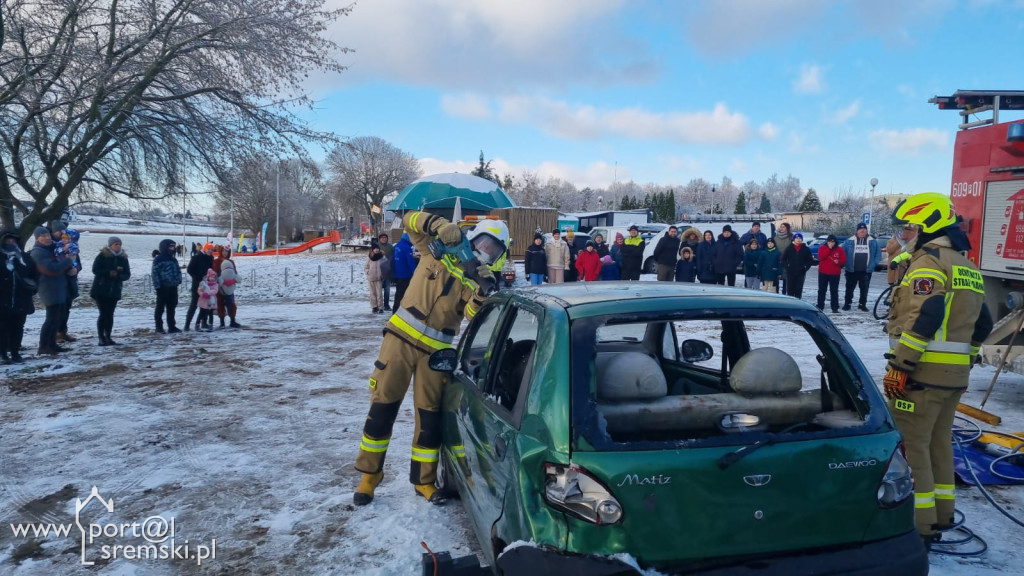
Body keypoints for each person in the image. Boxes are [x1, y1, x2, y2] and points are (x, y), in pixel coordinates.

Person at [353, 212, 507, 506]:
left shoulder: (475, 281)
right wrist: (439, 225)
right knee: (382, 406)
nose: (485, 252)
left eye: (493, 251)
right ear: (474, 236)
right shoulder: (433, 250)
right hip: (399, 341)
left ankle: (423, 481)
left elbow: (472, 317)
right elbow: (409, 220)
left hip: (436, 355)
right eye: (484, 243)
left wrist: (483, 294)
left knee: (429, 417)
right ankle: (369, 475)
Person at [884, 192, 993, 549]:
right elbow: (983, 324)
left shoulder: (929, 263)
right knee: (938, 446)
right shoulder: (966, 265)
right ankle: (943, 515)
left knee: (913, 449)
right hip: (954, 378)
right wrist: (965, 358)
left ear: (928, 225)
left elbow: (926, 317)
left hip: (920, 376)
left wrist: (901, 365)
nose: (906, 234)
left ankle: (919, 527)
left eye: (910, 227)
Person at [30, 227, 74, 354]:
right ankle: (43, 346)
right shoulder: (37, 252)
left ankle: (52, 344)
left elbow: (60, 262)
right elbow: (51, 268)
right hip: (48, 288)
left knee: (56, 318)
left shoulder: (54, 248)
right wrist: (68, 260)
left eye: (48, 235)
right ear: (37, 238)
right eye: (43, 236)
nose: (47, 238)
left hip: (59, 286)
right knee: (50, 319)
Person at [1, 230, 36, 364]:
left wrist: (32, 287)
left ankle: (15, 352)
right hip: (2, 300)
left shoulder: (24, 258)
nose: (11, 243)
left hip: (21, 298)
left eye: (13, 241)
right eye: (8, 241)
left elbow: (35, 274)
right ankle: (3, 354)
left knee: (18, 327)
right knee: (2, 328)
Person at [90, 236, 131, 345]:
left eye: (119, 244)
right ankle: (101, 337)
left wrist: (118, 276)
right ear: (110, 245)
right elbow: (95, 270)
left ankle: (108, 336)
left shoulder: (123, 258)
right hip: (101, 289)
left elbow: (127, 274)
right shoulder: (102, 256)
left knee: (110, 314)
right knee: (103, 313)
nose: (118, 246)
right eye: (115, 244)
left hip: (115, 290)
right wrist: (108, 273)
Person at [51, 221, 81, 344]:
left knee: (66, 308)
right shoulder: (52, 246)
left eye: (63, 231)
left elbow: (77, 263)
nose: (61, 233)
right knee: (58, 309)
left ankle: (63, 332)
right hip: (58, 282)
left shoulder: (72, 245)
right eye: (59, 231)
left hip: (70, 282)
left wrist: (76, 269)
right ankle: (55, 333)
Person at [842, 223, 882, 312]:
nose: (862, 231)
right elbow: (842, 252)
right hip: (851, 270)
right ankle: (847, 304)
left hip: (866, 270)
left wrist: (873, 264)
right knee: (849, 288)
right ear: (857, 231)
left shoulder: (873, 241)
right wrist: (844, 263)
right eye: (860, 230)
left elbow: (878, 254)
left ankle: (862, 304)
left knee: (864, 289)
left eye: (864, 230)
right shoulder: (849, 241)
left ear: (867, 231)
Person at [152, 239, 183, 334]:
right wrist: (158, 286)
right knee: (160, 308)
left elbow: (178, 271)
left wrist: (178, 280)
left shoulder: (173, 259)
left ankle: (172, 326)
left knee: (171, 307)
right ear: (165, 247)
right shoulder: (159, 259)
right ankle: (159, 327)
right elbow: (154, 273)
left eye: (174, 246)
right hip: (162, 287)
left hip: (173, 286)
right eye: (170, 246)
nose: (173, 248)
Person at [185, 243, 214, 331]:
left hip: (207, 285)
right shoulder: (196, 257)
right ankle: (187, 325)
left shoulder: (211, 258)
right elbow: (189, 269)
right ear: (204, 249)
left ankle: (203, 323)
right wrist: (198, 278)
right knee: (193, 305)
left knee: (205, 306)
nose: (210, 251)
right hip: (197, 285)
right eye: (208, 249)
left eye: (211, 249)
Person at [816, 235, 846, 313]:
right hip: (823, 272)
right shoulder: (822, 248)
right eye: (829, 241)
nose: (831, 243)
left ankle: (835, 307)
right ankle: (820, 305)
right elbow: (821, 256)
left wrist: (838, 261)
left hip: (835, 273)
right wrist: (829, 249)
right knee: (822, 290)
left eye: (832, 242)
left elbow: (844, 260)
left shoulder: (839, 249)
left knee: (834, 290)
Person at [781, 233, 813, 299]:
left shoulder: (805, 249)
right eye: (797, 238)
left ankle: (798, 303)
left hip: (801, 272)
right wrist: (787, 266)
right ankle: (791, 304)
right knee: (790, 289)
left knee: (798, 289)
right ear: (794, 239)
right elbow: (783, 259)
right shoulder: (789, 248)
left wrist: (806, 267)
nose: (798, 240)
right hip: (790, 272)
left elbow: (810, 260)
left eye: (800, 238)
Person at [217, 247, 241, 328]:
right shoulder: (216, 261)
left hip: (230, 287)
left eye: (226, 251)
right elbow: (214, 272)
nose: (224, 253)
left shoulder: (231, 262)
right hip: (220, 287)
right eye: (223, 251)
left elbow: (234, 272)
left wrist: (233, 280)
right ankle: (222, 322)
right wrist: (219, 281)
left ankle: (232, 320)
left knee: (231, 303)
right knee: (220, 303)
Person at [392, 233, 417, 309]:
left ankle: (395, 308)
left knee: (398, 293)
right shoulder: (407, 248)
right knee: (405, 294)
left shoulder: (397, 246)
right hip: (405, 274)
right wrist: (415, 273)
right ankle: (400, 309)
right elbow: (410, 263)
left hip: (397, 274)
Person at [365, 245, 387, 314]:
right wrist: (368, 272)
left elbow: (386, 266)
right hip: (371, 278)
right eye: (375, 249)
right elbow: (366, 267)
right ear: (372, 250)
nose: (376, 250)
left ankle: (380, 307)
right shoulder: (369, 258)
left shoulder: (382, 257)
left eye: (377, 249)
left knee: (379, 294)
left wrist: (383, 274)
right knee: (372, 293)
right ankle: (374, 307)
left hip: (379, 278)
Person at [774, 223, 794, 294]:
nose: (781, 228)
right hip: (777, 259)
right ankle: (776, 293)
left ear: (787, 228)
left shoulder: (791, 237)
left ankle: (784, 293)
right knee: (776, 277)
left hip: (787, 260)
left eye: (783, 227)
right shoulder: (775, 237)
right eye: (781, 227)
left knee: (786, 278)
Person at [377, 233, 394, 312]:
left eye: (385, 238)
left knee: (387, 290)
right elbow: (371, 256)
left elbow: (393, 257)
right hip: (378, 271)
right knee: (378, 289)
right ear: (379, 239)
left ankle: (386, 305)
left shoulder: (390, 247)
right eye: (382, 238)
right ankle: (378, 305)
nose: (384, 239)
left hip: (387, 270)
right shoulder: (376, 246)